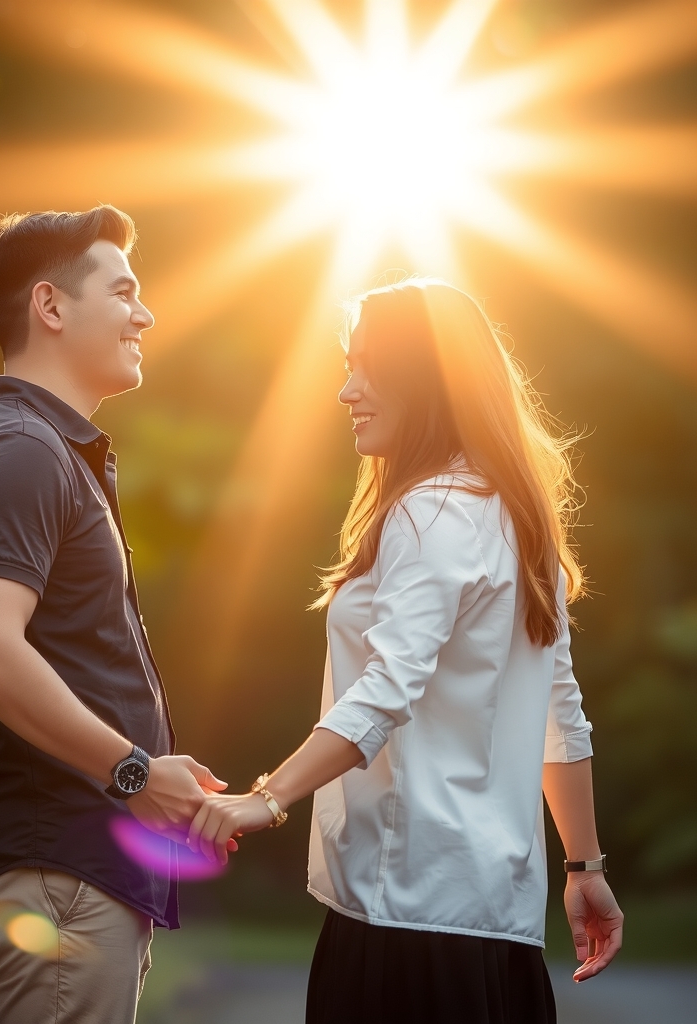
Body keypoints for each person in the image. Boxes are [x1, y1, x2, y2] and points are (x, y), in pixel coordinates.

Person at [188, 279, 624, 1023]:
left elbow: (388, 688)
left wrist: (266, 798)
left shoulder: (429, 512)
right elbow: (562, 713)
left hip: (404, 921)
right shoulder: (519, 519)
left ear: (428, 379)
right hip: (494, 923)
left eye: (367, 366)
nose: (345, 390)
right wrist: (583, 866)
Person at [0, 206, 226, 1024]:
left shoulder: (43, 449)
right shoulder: (18, 448)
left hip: (66, 871)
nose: (146, 313)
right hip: (50, 871)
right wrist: (131, 773)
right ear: (51, 307)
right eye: (123, 291)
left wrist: (159, 787)